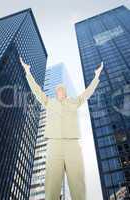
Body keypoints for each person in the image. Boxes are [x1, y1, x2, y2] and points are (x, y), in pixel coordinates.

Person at [20, 56, 103, 200]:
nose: (59, 92)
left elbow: (87, 93)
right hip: (54, 144)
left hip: (72, 143)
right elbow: (36, 90)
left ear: (65, 93)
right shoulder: (49, 102)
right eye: (57, 90)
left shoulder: (74, 101)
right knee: (52, 184)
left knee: (78, 183)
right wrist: (28, 72)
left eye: (61, 90)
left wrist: (96, 77)